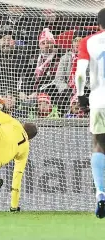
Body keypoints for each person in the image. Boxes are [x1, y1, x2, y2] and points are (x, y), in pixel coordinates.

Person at [74, 8, 105, 219]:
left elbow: (80, 71)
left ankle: (101, 193)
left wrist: (80, 95)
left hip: (99, 101)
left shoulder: (88, 41)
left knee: (99, 145)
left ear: (99, 23)